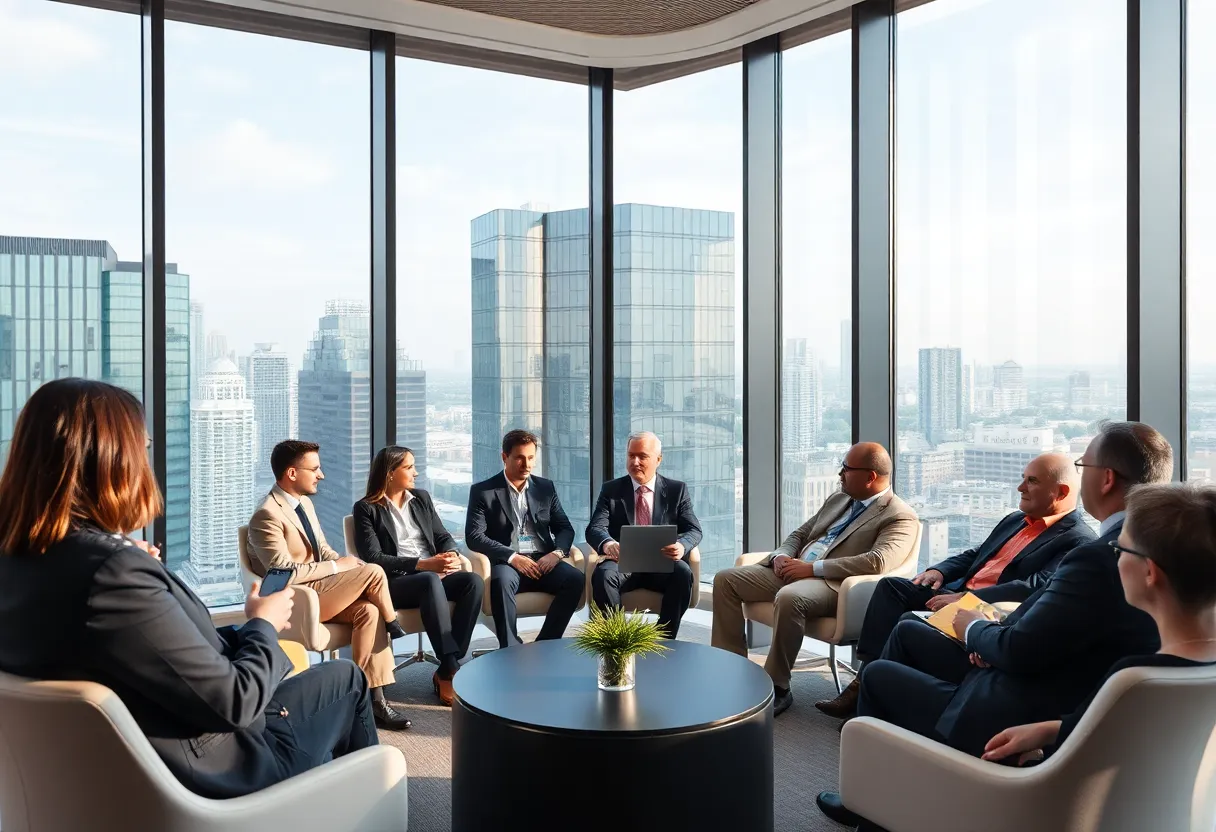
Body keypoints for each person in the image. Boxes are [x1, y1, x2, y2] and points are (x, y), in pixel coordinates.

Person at [0, 378, 385, 799]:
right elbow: (234, 702)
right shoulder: (112, 576)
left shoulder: (24, 562)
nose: (145, 461)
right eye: (141, 447)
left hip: (106, 771)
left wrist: (122, 556)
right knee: (346, 678)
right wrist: (262, 625)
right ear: (109, 461)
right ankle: (364, 802)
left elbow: (145, 649)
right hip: (221, 764)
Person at [816, 421, 1172, 830]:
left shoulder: (1097, 554)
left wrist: (977, 630)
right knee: (903, 624)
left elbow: (1028, 625)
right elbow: (1064, 626)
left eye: (1083, 464)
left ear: (1105, 479)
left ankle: (876, 808)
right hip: (1038, 681)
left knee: (881, 675)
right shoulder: (1157, 555)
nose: (1021, 488)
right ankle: (886, 773)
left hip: (1009, 706)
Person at [816, 452, 1093, 719]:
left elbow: (1034, 586)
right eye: (1023, 478)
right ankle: (864, 681)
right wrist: (940, 570)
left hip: (984, 611)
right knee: (892, 588)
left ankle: (871, 694)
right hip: (957, 592)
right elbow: (976, 553)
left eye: (1032, 481)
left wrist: (966, 598)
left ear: (1061, 492)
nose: (1020, 487)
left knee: (908, 622)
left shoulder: (1077, 540)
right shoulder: (1015, 520)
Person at [982, 481, 1216, 766]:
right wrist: (1051, 729)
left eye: (1120, 550)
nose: (1116, 560)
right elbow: (1112, 731)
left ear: (1149, 572)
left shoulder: (1131, 680)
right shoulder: (1187, 672)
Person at [712, 442, 919, 716]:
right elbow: (801, 533)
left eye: (847, 468)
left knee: (790, 598)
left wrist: (812, 569)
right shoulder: (840, 499)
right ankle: (730, 667)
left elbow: (878, 561)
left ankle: (778, 686)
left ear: (870, 477)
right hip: (794, 571)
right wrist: (781, 557)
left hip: (835, 587)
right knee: (726, 579)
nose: (840, 474)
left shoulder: (900, 515)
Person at [248, 440, 411, 730]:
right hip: (296, 600)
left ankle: (367, 700)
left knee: (368, 613)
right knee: (373, 571)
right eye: (314, 469)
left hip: (322, 591)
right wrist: (340, 567)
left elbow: (323, 550)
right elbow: (283, 572)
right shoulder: (267, 515)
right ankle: (394, 623)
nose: (321, 475)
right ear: (292, 473)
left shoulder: (304, 504)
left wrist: (345, 566)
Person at [352, 445, 484, 706]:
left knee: (473, 582)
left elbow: (443, 536)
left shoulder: (421, 498)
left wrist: (451, 555)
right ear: (390, 473)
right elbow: (374, 558)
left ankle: (448, 666)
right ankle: (450, 667)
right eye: (409, 467)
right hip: (396, 583)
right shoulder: (366, 509)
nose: (416, 472)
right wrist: (424, 565)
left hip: (432, 575)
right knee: (429, 580)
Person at [465, 429, 584, 647]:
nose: (526, 464)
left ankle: (545, 644)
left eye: (530, 458)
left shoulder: (545, 488)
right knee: (500, 582)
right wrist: (512, 557)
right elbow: (474, 536)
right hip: (508, 563)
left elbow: (565, 528)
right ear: (504, 457)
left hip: (542, 560)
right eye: (519, 457)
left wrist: (556, 554)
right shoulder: (483, 491)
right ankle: (510, 648)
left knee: (575, 579)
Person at [586, 431, 703, 639]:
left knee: (683, 573)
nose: (635, 462)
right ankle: (618, 640)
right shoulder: (611, 490)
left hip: (662, 564)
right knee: (604, 575)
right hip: (622, 563)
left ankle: (664, 639)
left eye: (642, 456)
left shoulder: (677, 490)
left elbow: (694, 529)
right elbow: (594, 528)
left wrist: (682, 546)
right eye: (631, 456)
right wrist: (608, 544)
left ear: (658, 460)